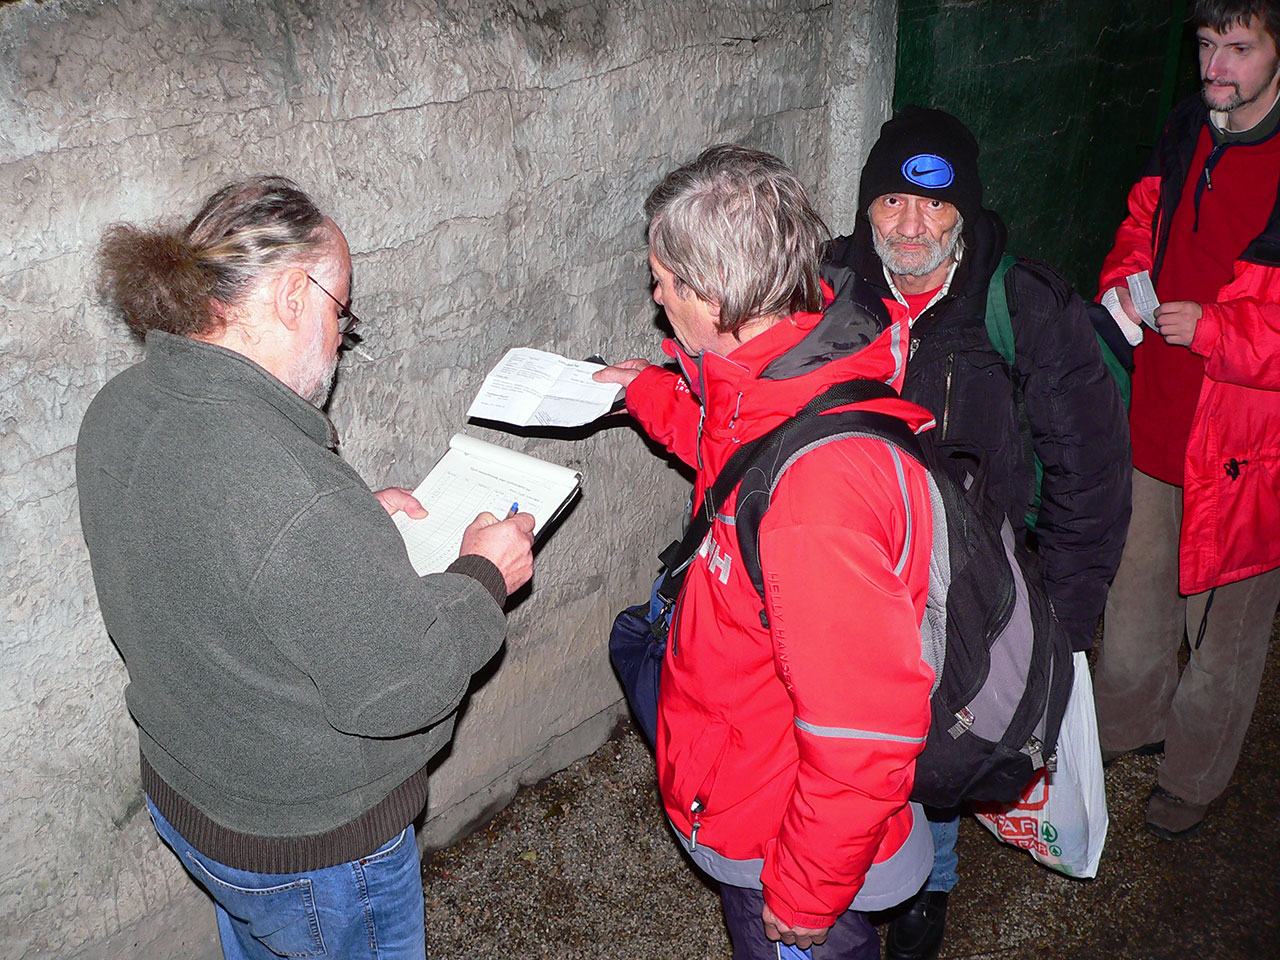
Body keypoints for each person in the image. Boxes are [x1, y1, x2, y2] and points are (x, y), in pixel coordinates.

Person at [76, 176, 536, 960]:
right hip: (310, 851)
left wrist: (354, 519)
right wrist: (482, 575)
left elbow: (221, 564)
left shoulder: (122, 407)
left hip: (195, 797)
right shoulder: (285, 492)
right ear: (294, 295)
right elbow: (407, 684)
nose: (340, 337)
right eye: (341, 310)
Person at [595, 145, 936, 959]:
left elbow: (864, 737)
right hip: (754, 760)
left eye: (665, 282)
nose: (655, 297)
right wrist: (644, 388)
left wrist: (806, 897)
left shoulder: (820, 504)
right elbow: (735, 452)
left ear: (714, 296)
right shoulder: (789, 368)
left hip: (780, 827)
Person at [824, 107, 1132, 960]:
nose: (911, 226)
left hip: (974, 593)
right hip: (851, 574)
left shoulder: (1020, 305)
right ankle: (845, 871)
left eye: (934, 206)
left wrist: (1063, 627)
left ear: (965, 211)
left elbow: (1090, 472)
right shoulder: (823, 291)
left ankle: (927, 894)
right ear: (867, 209)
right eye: (891, 203)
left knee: (941, 749)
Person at [1092, 0, 1280, 843]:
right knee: (1132, 603)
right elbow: (1144, 218)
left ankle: (1195, 775)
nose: (1216, 67)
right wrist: (1127, 277)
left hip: (1248, 446)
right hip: (1158, 415)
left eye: (1240, 48)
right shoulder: (1186, 128)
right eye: (1206, 44)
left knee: (1227, 632)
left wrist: (1214, 328)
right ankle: (1126, 724)